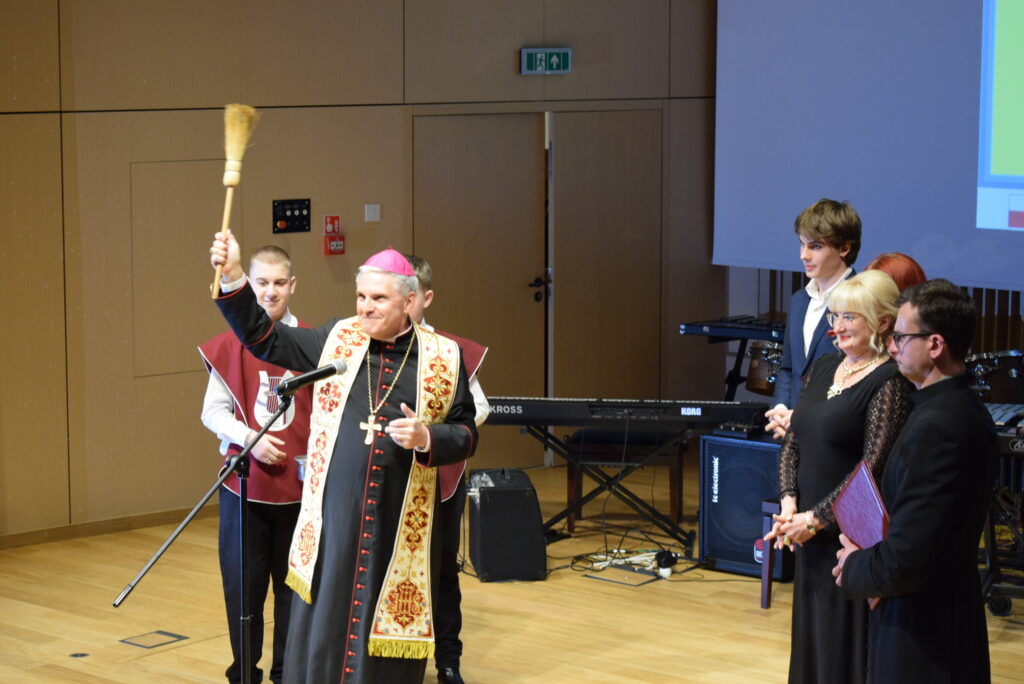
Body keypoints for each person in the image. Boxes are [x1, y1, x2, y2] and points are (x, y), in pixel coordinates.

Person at [209, 230, 479, 684]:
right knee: (327, 621)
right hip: (334, 519)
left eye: (378, 298)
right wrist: (234, 275)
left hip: (398, 525)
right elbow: (264, 339)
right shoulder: (336, 339)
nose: (365, 307)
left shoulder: (444, 358)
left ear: (409, 301)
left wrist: (427, 436)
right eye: (360, 296)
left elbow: (468, 434)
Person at [833, 279, 998, 683]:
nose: (892, 347)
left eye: (901, 338)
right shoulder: (964, 407)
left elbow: (908, 558)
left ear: (935, 344)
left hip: (924, 633)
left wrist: (854, 566)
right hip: (947, 615)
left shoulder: (936, 428)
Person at [764, 269, 914, 684]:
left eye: (850, 316)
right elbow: (794, 438)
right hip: (805, 530)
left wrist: (815, 520)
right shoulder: (825, 365)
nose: (838, 326)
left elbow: (873, 467)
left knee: (841, 648)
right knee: (810, 642)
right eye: (834, 316)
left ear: (882, 322)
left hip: (849, 536)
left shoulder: (890, 380)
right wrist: (789, 504)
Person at [199, 245, 311, 684]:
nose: (270, 292)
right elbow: (212, 412)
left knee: (293, 591)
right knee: (243, 591)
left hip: (301, 494)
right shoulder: (232, 342)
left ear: (292, 285)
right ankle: (244, 673)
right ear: (250, 285)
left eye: (279, 283)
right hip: (244, 491)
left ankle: (288, 673)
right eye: (261, 282)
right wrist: (250, 440)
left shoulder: (310, 343)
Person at [405, 254, 490, 684]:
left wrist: (433, 433)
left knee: (441, 571)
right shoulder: (372, 345)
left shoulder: (448, 350)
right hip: (392, 479)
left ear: (426, 298)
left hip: (439, 477)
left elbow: (481, 409)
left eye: (411, 296)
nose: (403, 304)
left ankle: (448, 662)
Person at [765, 199, 862, 439]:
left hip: (836, 435)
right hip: (793, 432)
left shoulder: (862, 301)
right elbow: (788, 368)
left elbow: (859, 378)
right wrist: (780, 409)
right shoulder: (799, 300)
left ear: (844, 248)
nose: (803, 255)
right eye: (802, 244)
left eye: (815, 246)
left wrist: (803, 416)